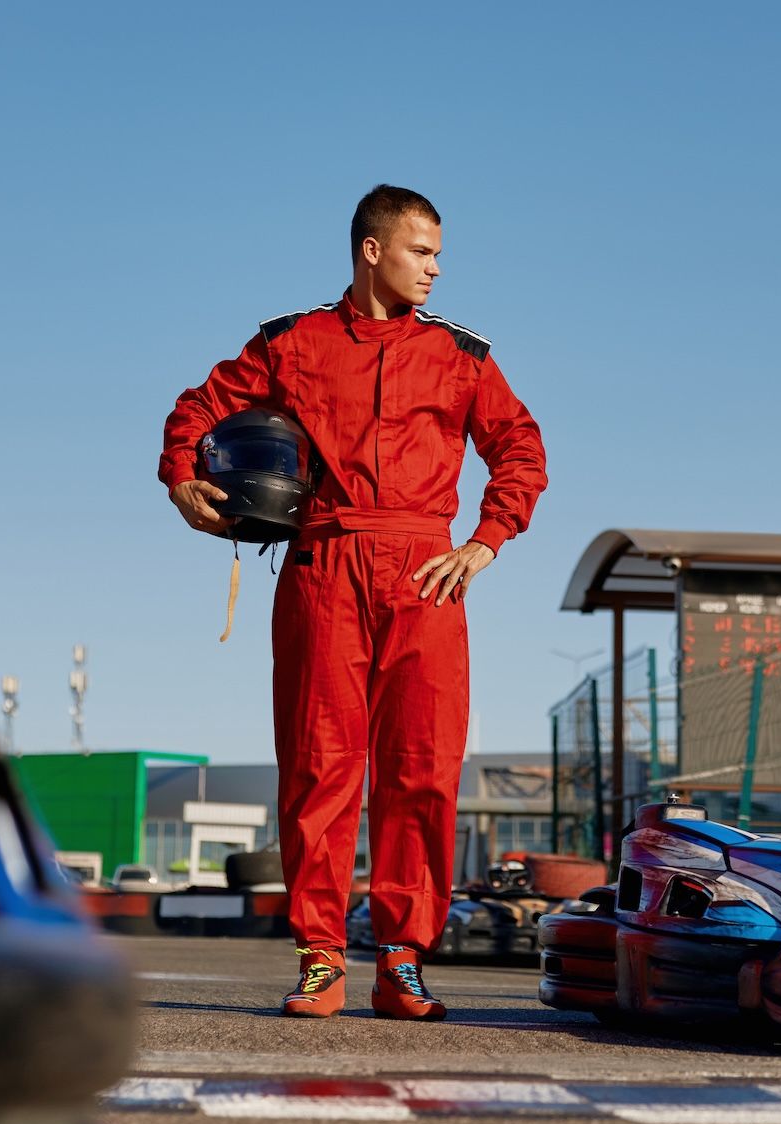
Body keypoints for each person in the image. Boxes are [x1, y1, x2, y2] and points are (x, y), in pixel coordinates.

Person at [158, 185, 547, 1020]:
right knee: (318, 765)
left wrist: (486, 538)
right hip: (323, 566)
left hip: (424, 571)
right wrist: (183, 476)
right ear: (372, 250)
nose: (435, 269)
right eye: (421, 251)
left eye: (439, 254)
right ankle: (321, 956)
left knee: (423, 768)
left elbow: (519, 445)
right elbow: (200, 406)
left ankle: (402, 957)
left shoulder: (461, 355)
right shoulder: (294, 342)